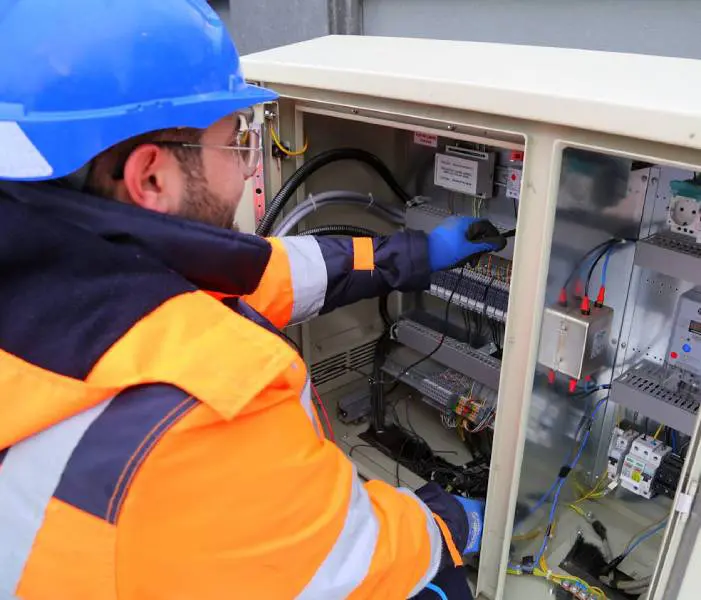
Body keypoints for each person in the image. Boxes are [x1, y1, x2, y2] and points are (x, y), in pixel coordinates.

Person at [0, 1, 505, 598]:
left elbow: (267, 273)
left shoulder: (66, 266)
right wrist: (454, 523)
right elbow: (356, 559)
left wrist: (414, 256)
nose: (247, 169)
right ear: (151, 178)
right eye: (235, 142)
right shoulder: (209, 408)